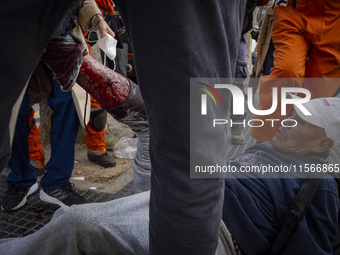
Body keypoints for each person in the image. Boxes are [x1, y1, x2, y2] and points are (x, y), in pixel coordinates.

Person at [0, 96, 338, 254]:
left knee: (82, 227)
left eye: (301, 122)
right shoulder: (266, 148)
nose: (286, 121)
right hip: (189, 200)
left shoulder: (320, 186)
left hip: (219, 232)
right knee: (75, 221)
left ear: (322, 142)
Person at [1, 0, 116, 212]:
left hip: (62, 35)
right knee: (13, 112)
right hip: (14, 36)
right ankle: (20, 180)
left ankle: (56, 183)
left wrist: (96, 18)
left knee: (69, 103)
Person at [252, 0, 340, 142]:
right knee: (287, 71)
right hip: (295, 11)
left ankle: (301, 148)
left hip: (335, 22)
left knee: (317, 97)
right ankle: (265, 141)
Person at [253, 0, 275, 77]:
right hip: (270, 48)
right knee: (267, 74)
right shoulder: (270, 11)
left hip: (285, 48)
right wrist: (258, 49)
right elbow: (263, 33)